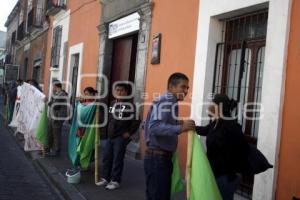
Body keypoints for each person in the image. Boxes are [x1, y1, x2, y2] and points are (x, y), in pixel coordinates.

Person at [143, 72, 195, 200]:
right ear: (172, 87)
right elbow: (154, 127)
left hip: (158, 158)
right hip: (158, 159)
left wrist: (178, 122)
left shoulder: (169, 101)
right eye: (183, 87)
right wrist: (180, 128)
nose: (186, 90)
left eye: (187, 88)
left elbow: (148, 123)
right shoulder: (167, 100)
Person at [195, 94, 249, 200]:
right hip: (215, 173)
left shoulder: (231, 125)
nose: (209, 106)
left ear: (219, 107)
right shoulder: (216, 123)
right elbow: (204, 130)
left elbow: (242, 148)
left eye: (212, 103)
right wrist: (189, 126)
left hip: (226, 176)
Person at [97, 83, 141, 190]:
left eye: (121, 90)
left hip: (120, 137)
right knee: (107, 158)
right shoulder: (112, 103)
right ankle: (105, 178)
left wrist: (129, 132)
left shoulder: (130, 106)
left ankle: (115, 180)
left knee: (117, 159)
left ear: (126, 92)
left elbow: (136, 120)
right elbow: (109, 119)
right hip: (110, 137)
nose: (119, 92)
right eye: (117, 90)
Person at [46, 80, 68, 157]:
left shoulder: (62, 94)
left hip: (58, 117)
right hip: (54, 116)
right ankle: (49, 148)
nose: (52, 88)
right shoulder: (57, 94)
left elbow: (55, 105)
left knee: (56, 134)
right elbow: (51, 103)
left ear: (56, 86)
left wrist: (49, 102)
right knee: (51, 132)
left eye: (53, 86)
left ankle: (56, 151)